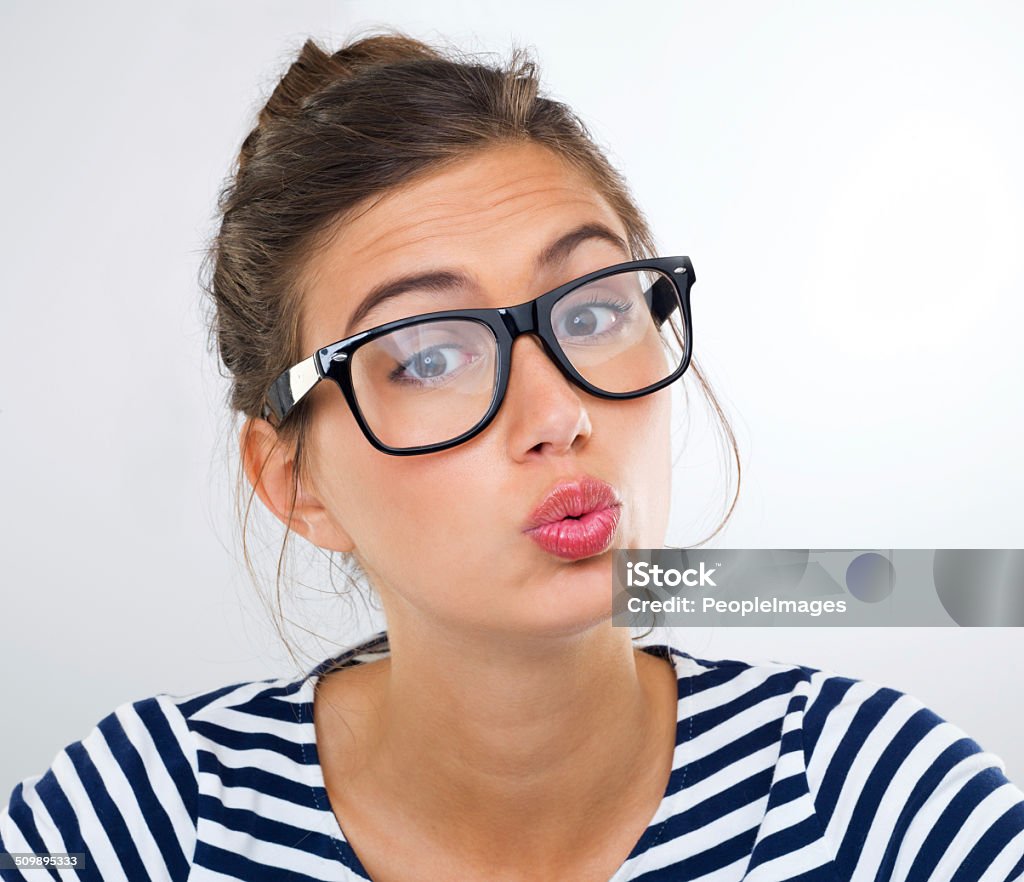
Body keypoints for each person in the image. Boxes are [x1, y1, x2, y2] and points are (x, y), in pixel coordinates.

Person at [2, 29, 1023, 882]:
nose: (557, 411)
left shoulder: (877, 804)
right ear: (294, 483)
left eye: (590, 310)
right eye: (430, 354)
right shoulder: (136, 824)